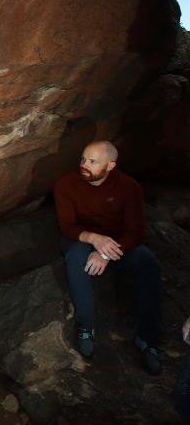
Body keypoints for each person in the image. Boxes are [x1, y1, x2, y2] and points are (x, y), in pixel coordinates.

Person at [53, 140, 161, 375]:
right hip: (79, 236)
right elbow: (66, 225)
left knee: (148, 264)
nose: (84, 165)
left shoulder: (129, 187)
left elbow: (136, 231)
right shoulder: (66, 183)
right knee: (76, 259)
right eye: (83, 159)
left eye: (92, 161)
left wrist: (104, 253)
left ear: (110, 165)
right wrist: (93, 238)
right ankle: (85, 328)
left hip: (116, 240)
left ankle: (148, 339)